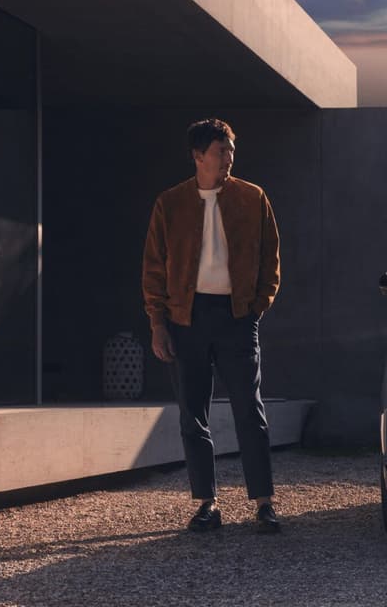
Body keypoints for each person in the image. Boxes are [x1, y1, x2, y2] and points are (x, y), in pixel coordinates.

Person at [142, 118, 282, 533]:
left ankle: (264, 502)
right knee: (193, 414)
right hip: (185, 319)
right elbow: (153, 269)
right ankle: (207, 503)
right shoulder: (170, 204)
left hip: (238, 317)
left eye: (232, 150)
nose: (230, 157)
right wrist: (158, 323)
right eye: (222, 150)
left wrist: (256, 308)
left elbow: (271, 261)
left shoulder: (253, 198)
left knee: (249, 411)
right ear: (198, 155)